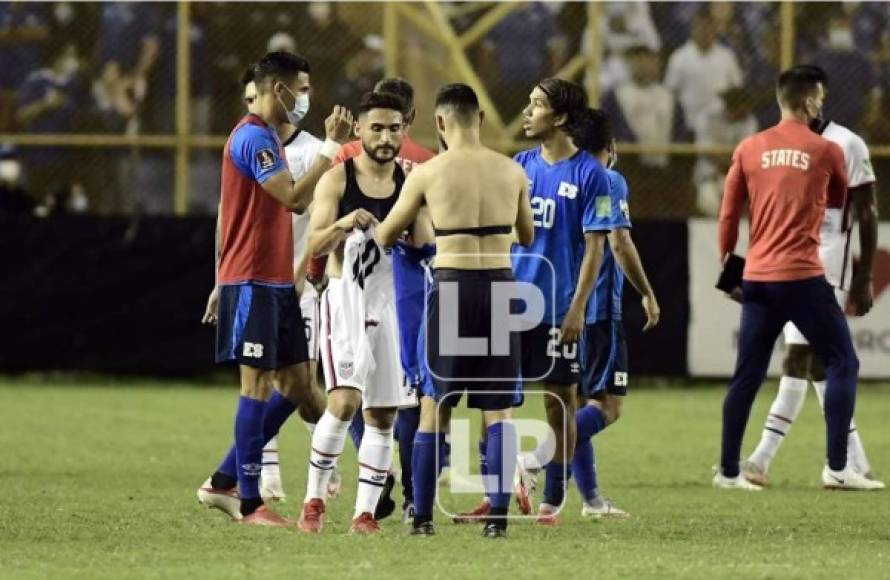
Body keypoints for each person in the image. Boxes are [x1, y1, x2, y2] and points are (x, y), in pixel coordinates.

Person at [377, 83, 534, 539]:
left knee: (435, 407)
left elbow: (388, 235)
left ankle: (422, 518)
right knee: (499, 412)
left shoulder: (428, 174)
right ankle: (498, 520)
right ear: (480, 119)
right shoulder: (511, 171)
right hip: (500, 289)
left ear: (440, 123)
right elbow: (525, 236)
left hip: (452, 287)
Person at [195, 51, 342, 527]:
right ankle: (249, 501)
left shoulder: (268, 139)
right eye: (299, 89)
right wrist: (329, 151)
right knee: (255, 385)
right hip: (253, 279)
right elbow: (294, 199)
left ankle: (222, 478)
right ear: (277, 89)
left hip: (277, 282)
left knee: (300, 386)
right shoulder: (254, 139)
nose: (304, 98)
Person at [715, 66, 878, 491]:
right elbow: (842, 201)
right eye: (819, 97)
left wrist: (728, 265)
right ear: (810, 101)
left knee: (752, 373)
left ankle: (732, 470)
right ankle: (839, 467)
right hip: (805, 273)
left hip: (759, 273)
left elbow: (729, 213)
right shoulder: (827, 149)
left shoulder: (750, 147)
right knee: (835, 361)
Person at [516, 108, 660, 518]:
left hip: (556, 302)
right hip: (596, 311)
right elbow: (619, 242)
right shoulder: (609, 180)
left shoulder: (551, 172)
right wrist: (647, 292)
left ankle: (592, 499)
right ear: (611, 147)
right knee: (608, 406)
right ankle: (534, 460)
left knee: (573, 404)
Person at [297, 91, 416, 535]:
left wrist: (413, 238)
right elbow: (313, 246)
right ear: (361, 131)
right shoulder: (338, 179)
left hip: (391, 301)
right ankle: (313, 502)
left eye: (394, 128)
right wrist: (344, 224)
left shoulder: (410, 182)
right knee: (345, 401)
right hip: (346, 297)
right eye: (377, 128)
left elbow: (424, 245)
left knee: (383, 414)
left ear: (405, 129)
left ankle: (364, 514)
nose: (386, 137)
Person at [329, 77, 436, 523]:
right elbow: (430, 239)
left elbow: (328, 229)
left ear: (401, 122)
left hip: (355, 293)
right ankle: (413, 493)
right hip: (409, 293)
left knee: (356, 389)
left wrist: (316, 277)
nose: (385, 134)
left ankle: (378, 475)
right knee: (406, 395)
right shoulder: (428, 163)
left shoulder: (346, 160)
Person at [508, 78, 610, 526]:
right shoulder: (519, 165)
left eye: (536, 105)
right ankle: (498, 486)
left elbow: (596, 248)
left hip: (556, 305)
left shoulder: (591, 173)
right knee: (494, 400)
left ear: (562, 117)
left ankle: (552, 498)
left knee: (559, 402)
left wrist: (577, 308)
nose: (527, 112)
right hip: (511, 301)